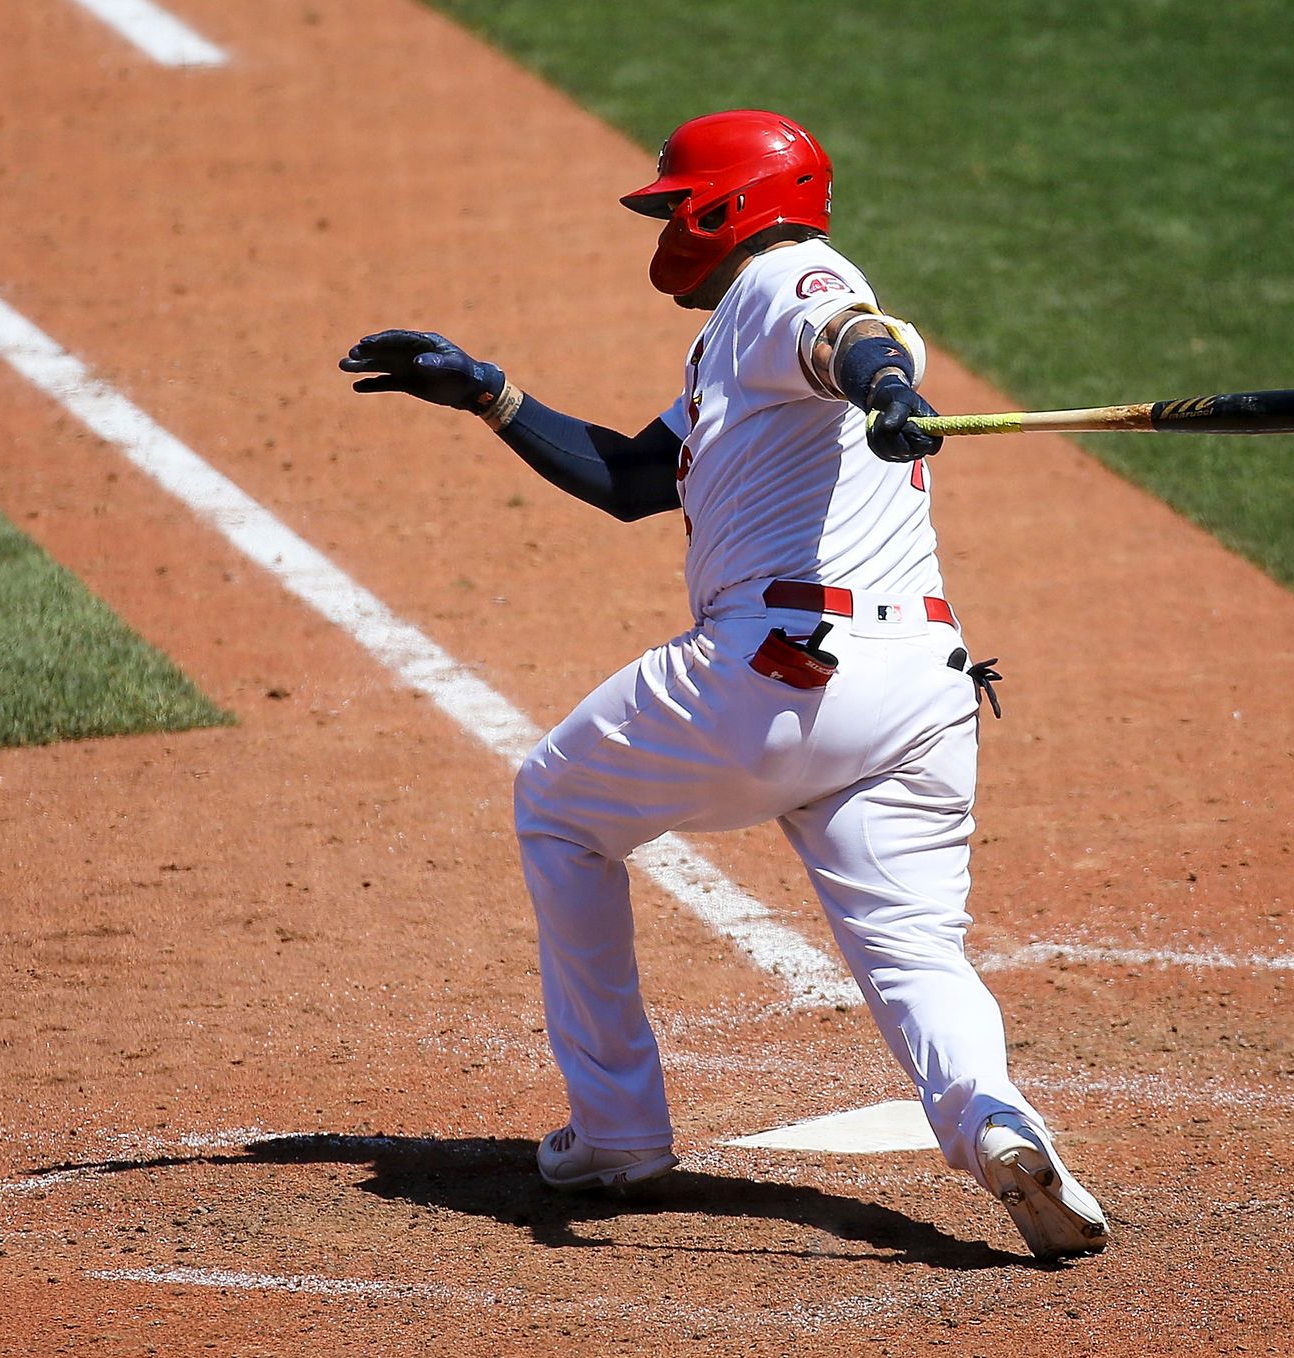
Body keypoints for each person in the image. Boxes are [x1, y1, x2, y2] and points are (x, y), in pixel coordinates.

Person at [339, 109, 1108, 1260]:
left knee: (557, 804)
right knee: (911, 948)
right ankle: (995, 1122)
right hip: (919, 689)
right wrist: (493, 395)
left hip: (781, 676)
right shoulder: (732, 348)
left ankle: (615, 1131)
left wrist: (886, 381)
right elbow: (634, 477)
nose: (660, 228)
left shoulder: (787, 277)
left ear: (721, 208)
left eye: (669, 206)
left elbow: (850, 329)